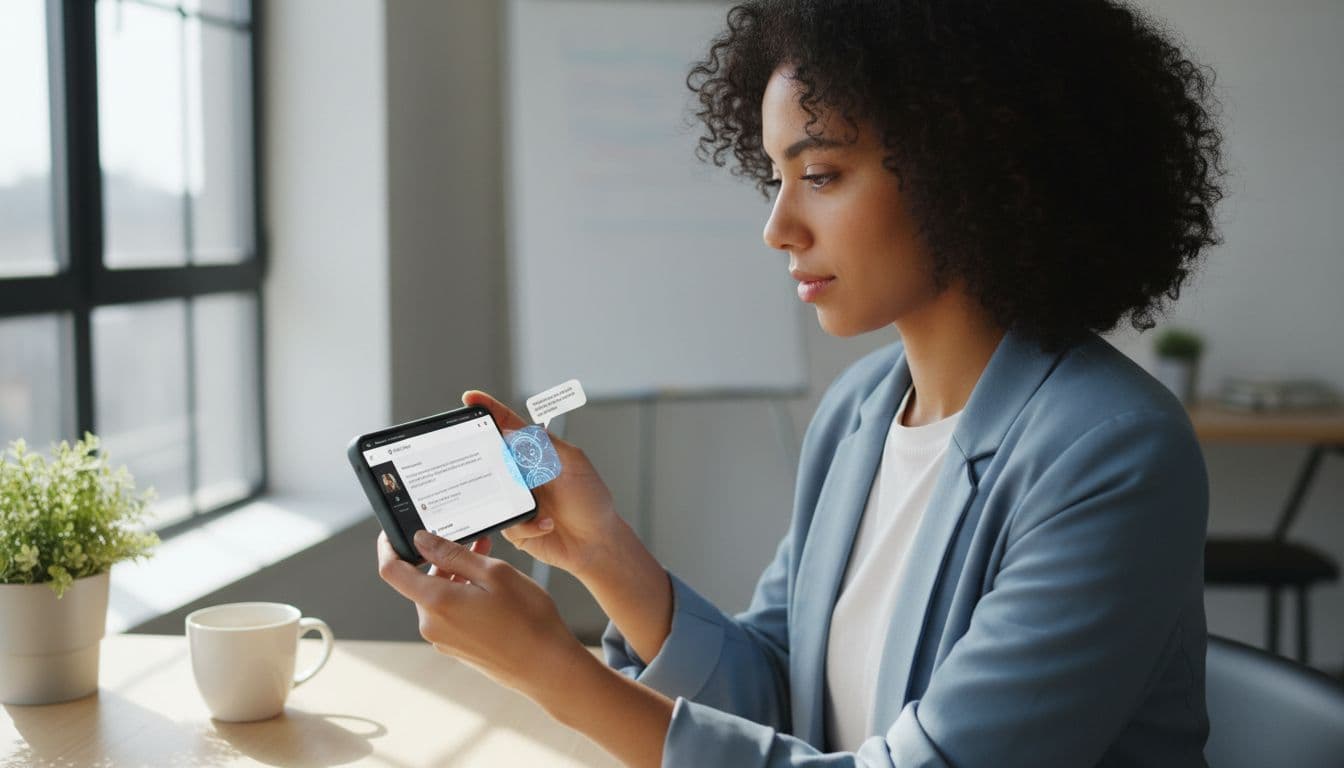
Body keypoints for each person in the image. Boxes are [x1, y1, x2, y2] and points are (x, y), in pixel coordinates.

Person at [376, 0, 1225, 765]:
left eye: (818, 175)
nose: (778, 227)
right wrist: (599, 553)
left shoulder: (1111, 452)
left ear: (972, 168)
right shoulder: (860, 410)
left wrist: (556, 674)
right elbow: (785, 699)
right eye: (775, 177)